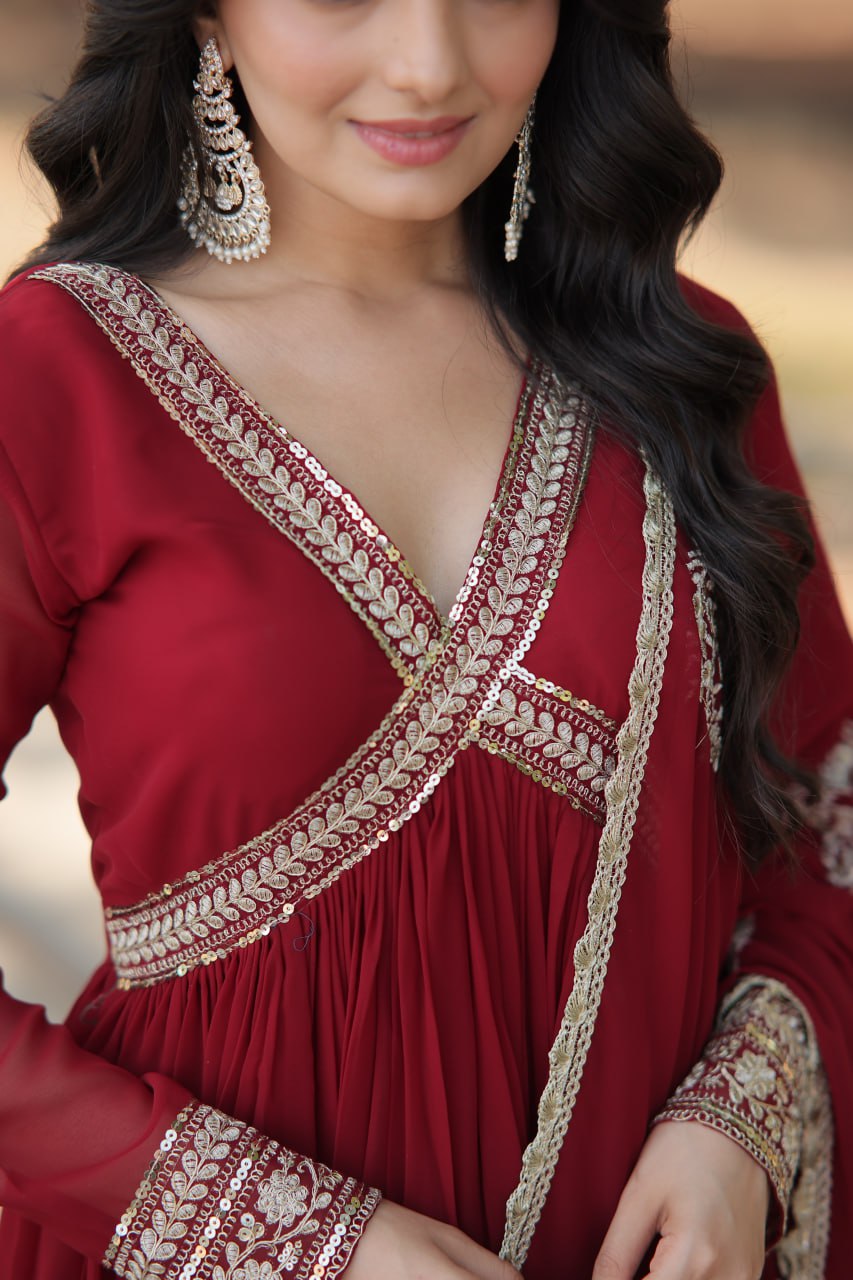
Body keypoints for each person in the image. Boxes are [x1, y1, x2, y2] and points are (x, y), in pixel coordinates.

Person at [0, 0, 850, 1276]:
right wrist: (300, 1241)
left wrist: (739, 1126)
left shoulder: (683, 364)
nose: (429, 65)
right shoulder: (53, 379)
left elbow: (825, 814)